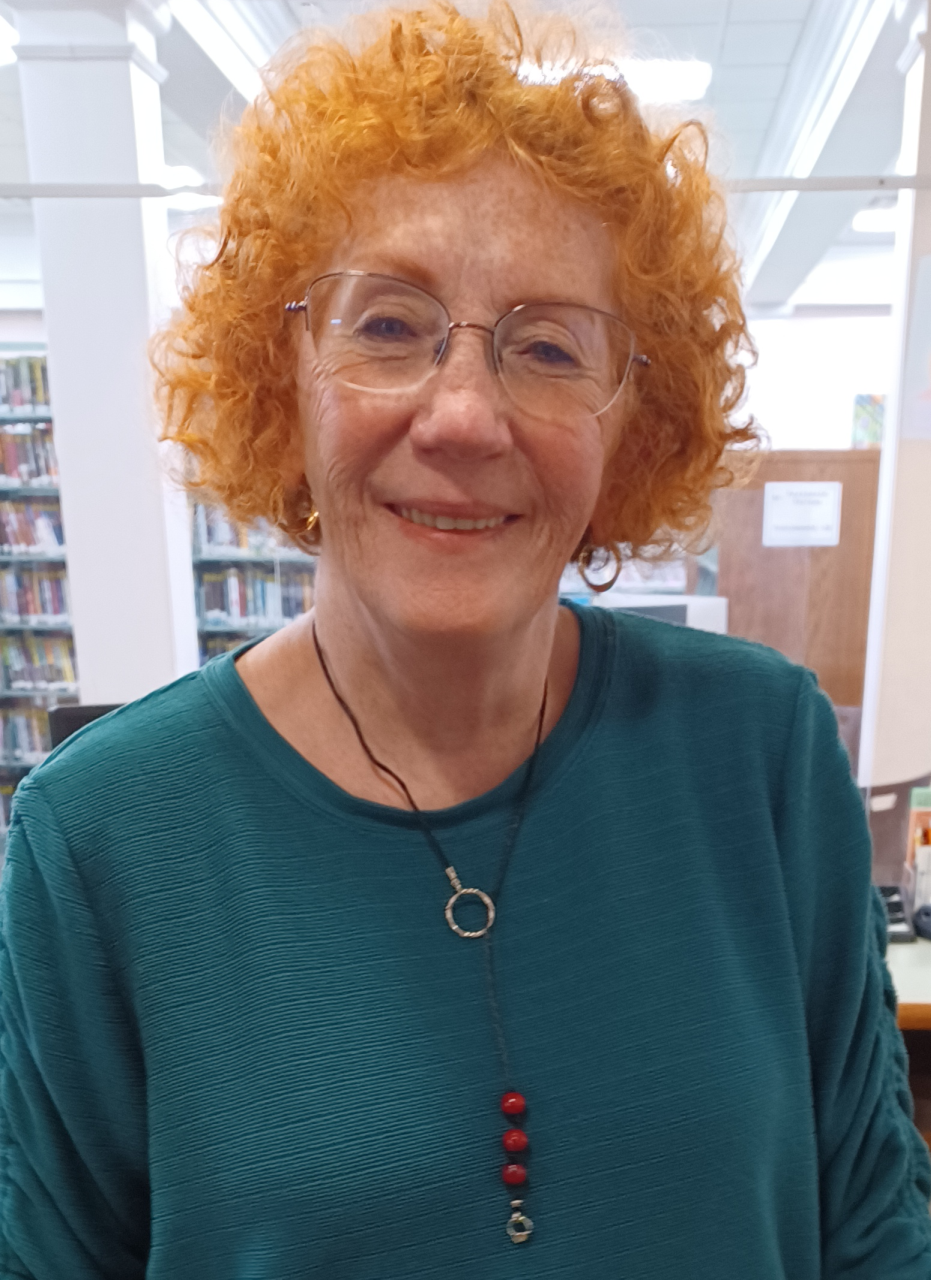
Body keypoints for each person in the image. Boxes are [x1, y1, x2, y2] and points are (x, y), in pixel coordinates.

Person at [1, 5, 929, 1277]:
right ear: (284, 366)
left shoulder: (761, 753)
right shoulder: (102, 837)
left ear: (631, 417)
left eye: (547, 347)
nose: (463, 415)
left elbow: (874, 1223)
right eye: (388, 326)